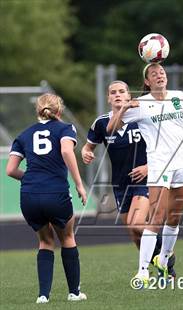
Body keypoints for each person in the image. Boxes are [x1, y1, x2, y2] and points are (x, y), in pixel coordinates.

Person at [106, 63, 183, 286]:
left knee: (174, 218)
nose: (159, 75)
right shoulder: (141, 104)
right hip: (160, 165)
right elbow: (111, 129)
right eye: (153, 74)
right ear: (147, 82)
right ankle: (142, 271)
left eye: (161, 72)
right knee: (156, 218)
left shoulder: (178, 97)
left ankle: (163, 261)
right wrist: (124, 108)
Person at [81, 80, 175, 277]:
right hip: (120, 184)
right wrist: (86, 152)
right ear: (108, 98)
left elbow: (166, 147)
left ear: (129, 96)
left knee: (136, 223)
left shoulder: (142, 117)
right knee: (133, 233)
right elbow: (89, 146)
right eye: (113, 92)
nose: (117, 95)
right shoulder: (101, 123)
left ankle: (166, 253)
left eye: (122, 91)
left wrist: (149, 167)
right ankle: (157, 267)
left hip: (145, 181)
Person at [6, 94, 88, 303]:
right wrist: (79, 184)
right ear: (59, 111)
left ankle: (43, 296)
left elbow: (10, 170)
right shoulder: (64, 128)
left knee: (45, 240)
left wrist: (32, 179)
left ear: (38, 111)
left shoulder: (24, 134)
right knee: (67, 237)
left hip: (29, 195)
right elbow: (66, 151)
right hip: (55, 192)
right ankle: (74, 293)